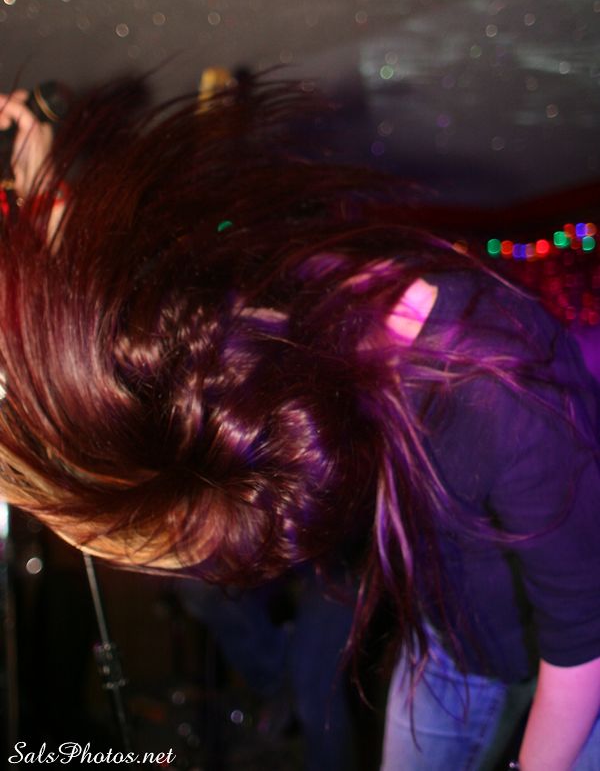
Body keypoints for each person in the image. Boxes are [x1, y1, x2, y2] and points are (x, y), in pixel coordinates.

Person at [0, 80, 599, 771]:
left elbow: (583, 644)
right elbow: (110, 314)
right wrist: (41, 175)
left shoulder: (505, 388)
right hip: (448, 641)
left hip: (568, 660)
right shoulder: (251, 320)